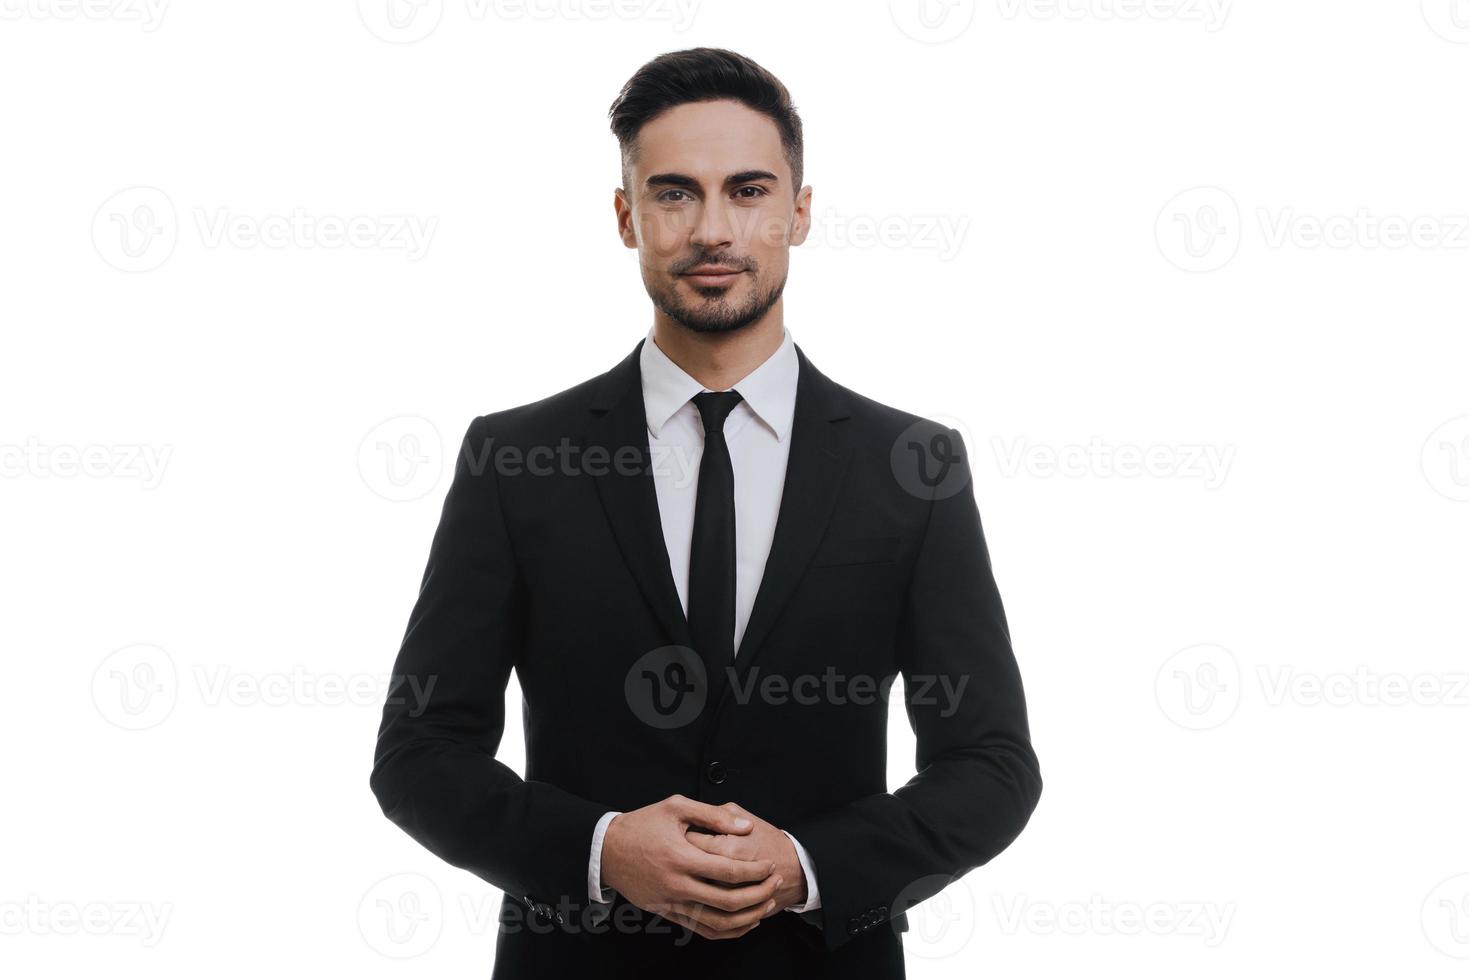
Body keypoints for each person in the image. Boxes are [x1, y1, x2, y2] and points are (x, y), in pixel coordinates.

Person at [370, 46, 1041, 979]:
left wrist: (808, 867)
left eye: (750, 190)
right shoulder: (515, 460)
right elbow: (420, 753)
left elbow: (991, 765)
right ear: (626, 216)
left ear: (799, 212)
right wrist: (601, 852)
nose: (713, 229)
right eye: (675, 193)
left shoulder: (910, 465)